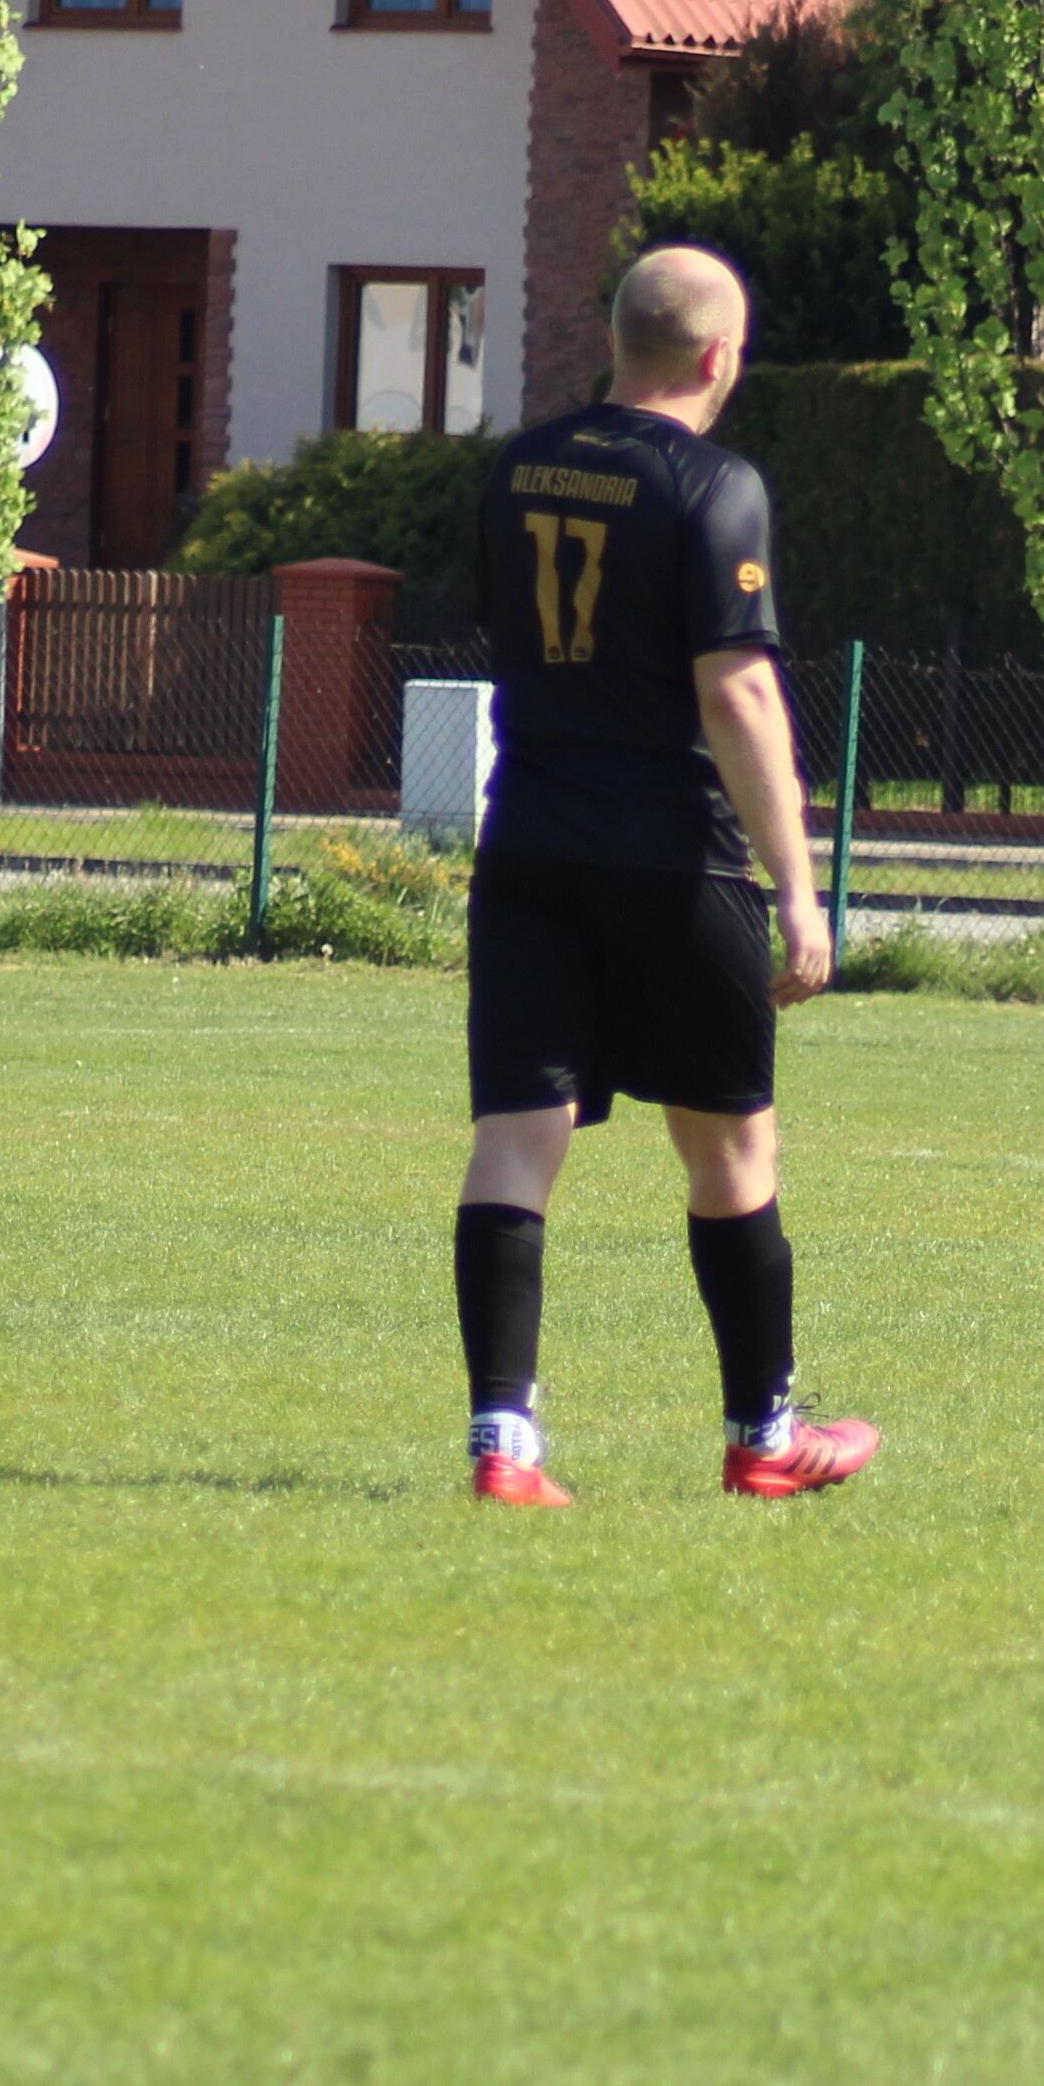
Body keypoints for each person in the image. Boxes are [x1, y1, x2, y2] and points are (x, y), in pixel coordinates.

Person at [449, 244, 873, 1507]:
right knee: (731, 1149)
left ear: (615, 339)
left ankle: (503, 1448)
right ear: (719, 355)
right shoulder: (715, 484)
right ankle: (763, 1437)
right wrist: (797, 888)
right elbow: (738, 691)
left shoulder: (517, 465)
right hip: (672, 858)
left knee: (515, 1141)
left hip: (528, 844)